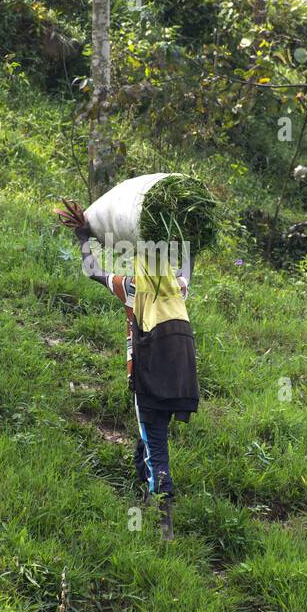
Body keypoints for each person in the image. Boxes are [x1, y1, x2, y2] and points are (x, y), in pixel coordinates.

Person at [55, 198, 199, 540]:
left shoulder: (131, 287)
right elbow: (189, 266)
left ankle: (165, 529)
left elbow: (92, 271)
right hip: (181, 376)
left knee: (156, 448)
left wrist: (81, 236)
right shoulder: (177, 288)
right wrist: (192, 238)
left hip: (149, 374)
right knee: (151, 435)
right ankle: (145, 490)